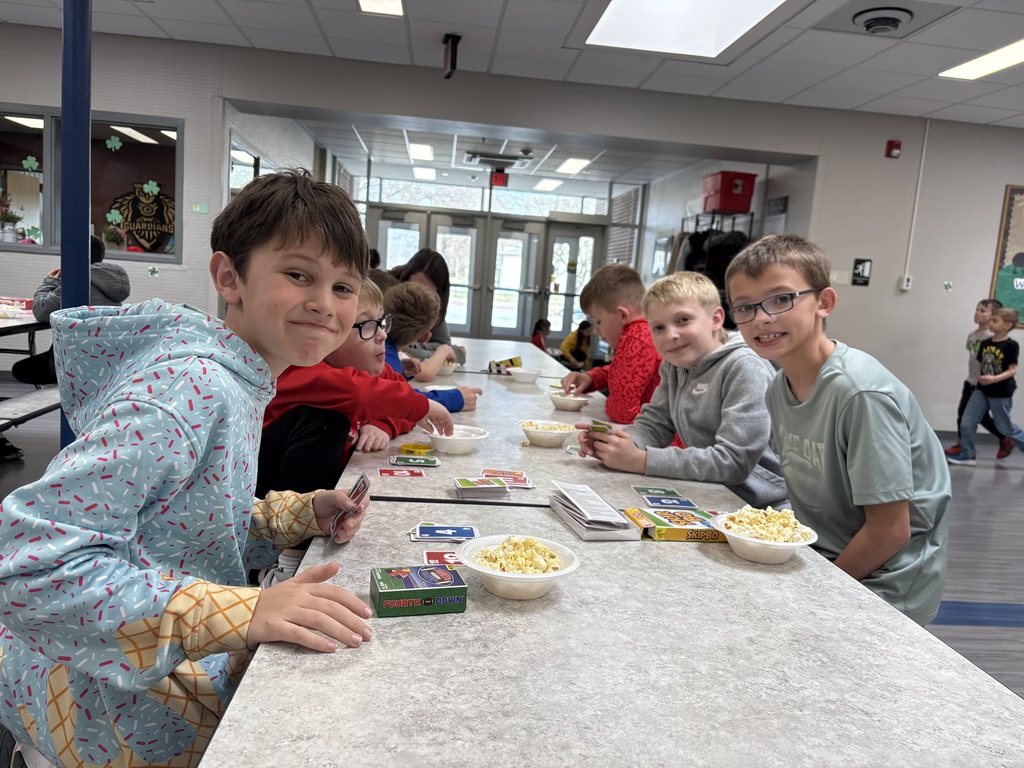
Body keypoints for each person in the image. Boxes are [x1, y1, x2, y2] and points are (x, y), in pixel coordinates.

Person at [0, 169, 378, 768]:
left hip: (144, 682)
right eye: (299, 274)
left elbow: (184, 518)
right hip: (102, 714)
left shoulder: (239, 377)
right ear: (229, 277)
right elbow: (28, 565)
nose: (324, 303)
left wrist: (296, 513)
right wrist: (246, 609)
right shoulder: (188, 387)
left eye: (344, 286)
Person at [724, 234, 951, 626]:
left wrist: (819, 593)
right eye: (745, 307)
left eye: (781, 299)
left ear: (824, 303)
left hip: (887, 584)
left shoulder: (860, 393)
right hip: (827, 559)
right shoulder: (778, 388)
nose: (762, 318)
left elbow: (890, 530)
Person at [255, 279, 455, 587]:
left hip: (303, 502)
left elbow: (399, 396)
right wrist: (425, 407)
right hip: (263, 501)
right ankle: (285, 563)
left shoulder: (366, 368)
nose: (382, 335)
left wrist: (385, 425)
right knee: (327, 421)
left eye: (381, 322)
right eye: (366, 326)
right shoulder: (301, 369)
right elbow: (364, 395)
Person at [577, 271, 787, 509]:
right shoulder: (675, 365)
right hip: (709, 492)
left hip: (761, 507)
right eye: (658, 327)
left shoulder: (745, 367)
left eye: (683, 320)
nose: (671, 335)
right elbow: (655, 424)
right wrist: (618, 443)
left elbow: (733, 461)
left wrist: (643, 461)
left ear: (716, 319)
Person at [561, 265, 661, 424]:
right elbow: (623, 370)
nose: (595, 331)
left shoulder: (636, 339)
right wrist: (591, 378)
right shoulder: (645, 330)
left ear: (622, 315)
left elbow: (621, 412)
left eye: (598, 321)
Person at [383, 281, 481, 412]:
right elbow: (395, 402)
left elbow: (384, 388)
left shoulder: (382, 345)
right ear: (425, 337)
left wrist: (400, 372)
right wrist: (453, 399)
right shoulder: (382, 351)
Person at [948, 307, 1024, 467]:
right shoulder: (985, 343)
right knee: (967, 421)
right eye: (991, 320)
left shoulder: (1011, 345)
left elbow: (1012, 370)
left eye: (995, 321)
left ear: (1007, 325)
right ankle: (967, 454)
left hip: (1001, 393)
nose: (990, 323)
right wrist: (978, 379)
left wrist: (994, 379)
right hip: (981, 390)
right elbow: (980, 364)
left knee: (1005, 427)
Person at [389, 248, 467, 365]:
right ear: (404, 279)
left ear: (438, 293)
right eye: (414, 285)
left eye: (427, 291)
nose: (418, 295)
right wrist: (447, 353)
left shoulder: (434, 303)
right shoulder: (388, 291)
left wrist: (416, 346)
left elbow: (443, 344)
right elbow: (396, 350)